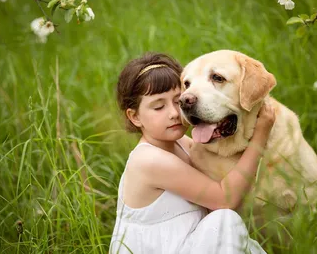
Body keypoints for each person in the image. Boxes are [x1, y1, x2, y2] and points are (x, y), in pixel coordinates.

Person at [110, 52, 275, 254]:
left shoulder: (181, 143)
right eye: (159, 107)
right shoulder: (148, 160)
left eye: (179, 101)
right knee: (224, 221)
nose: (173, 113)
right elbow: (225, 200)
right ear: (135, 116)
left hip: (183, 245)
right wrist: (259, 137)